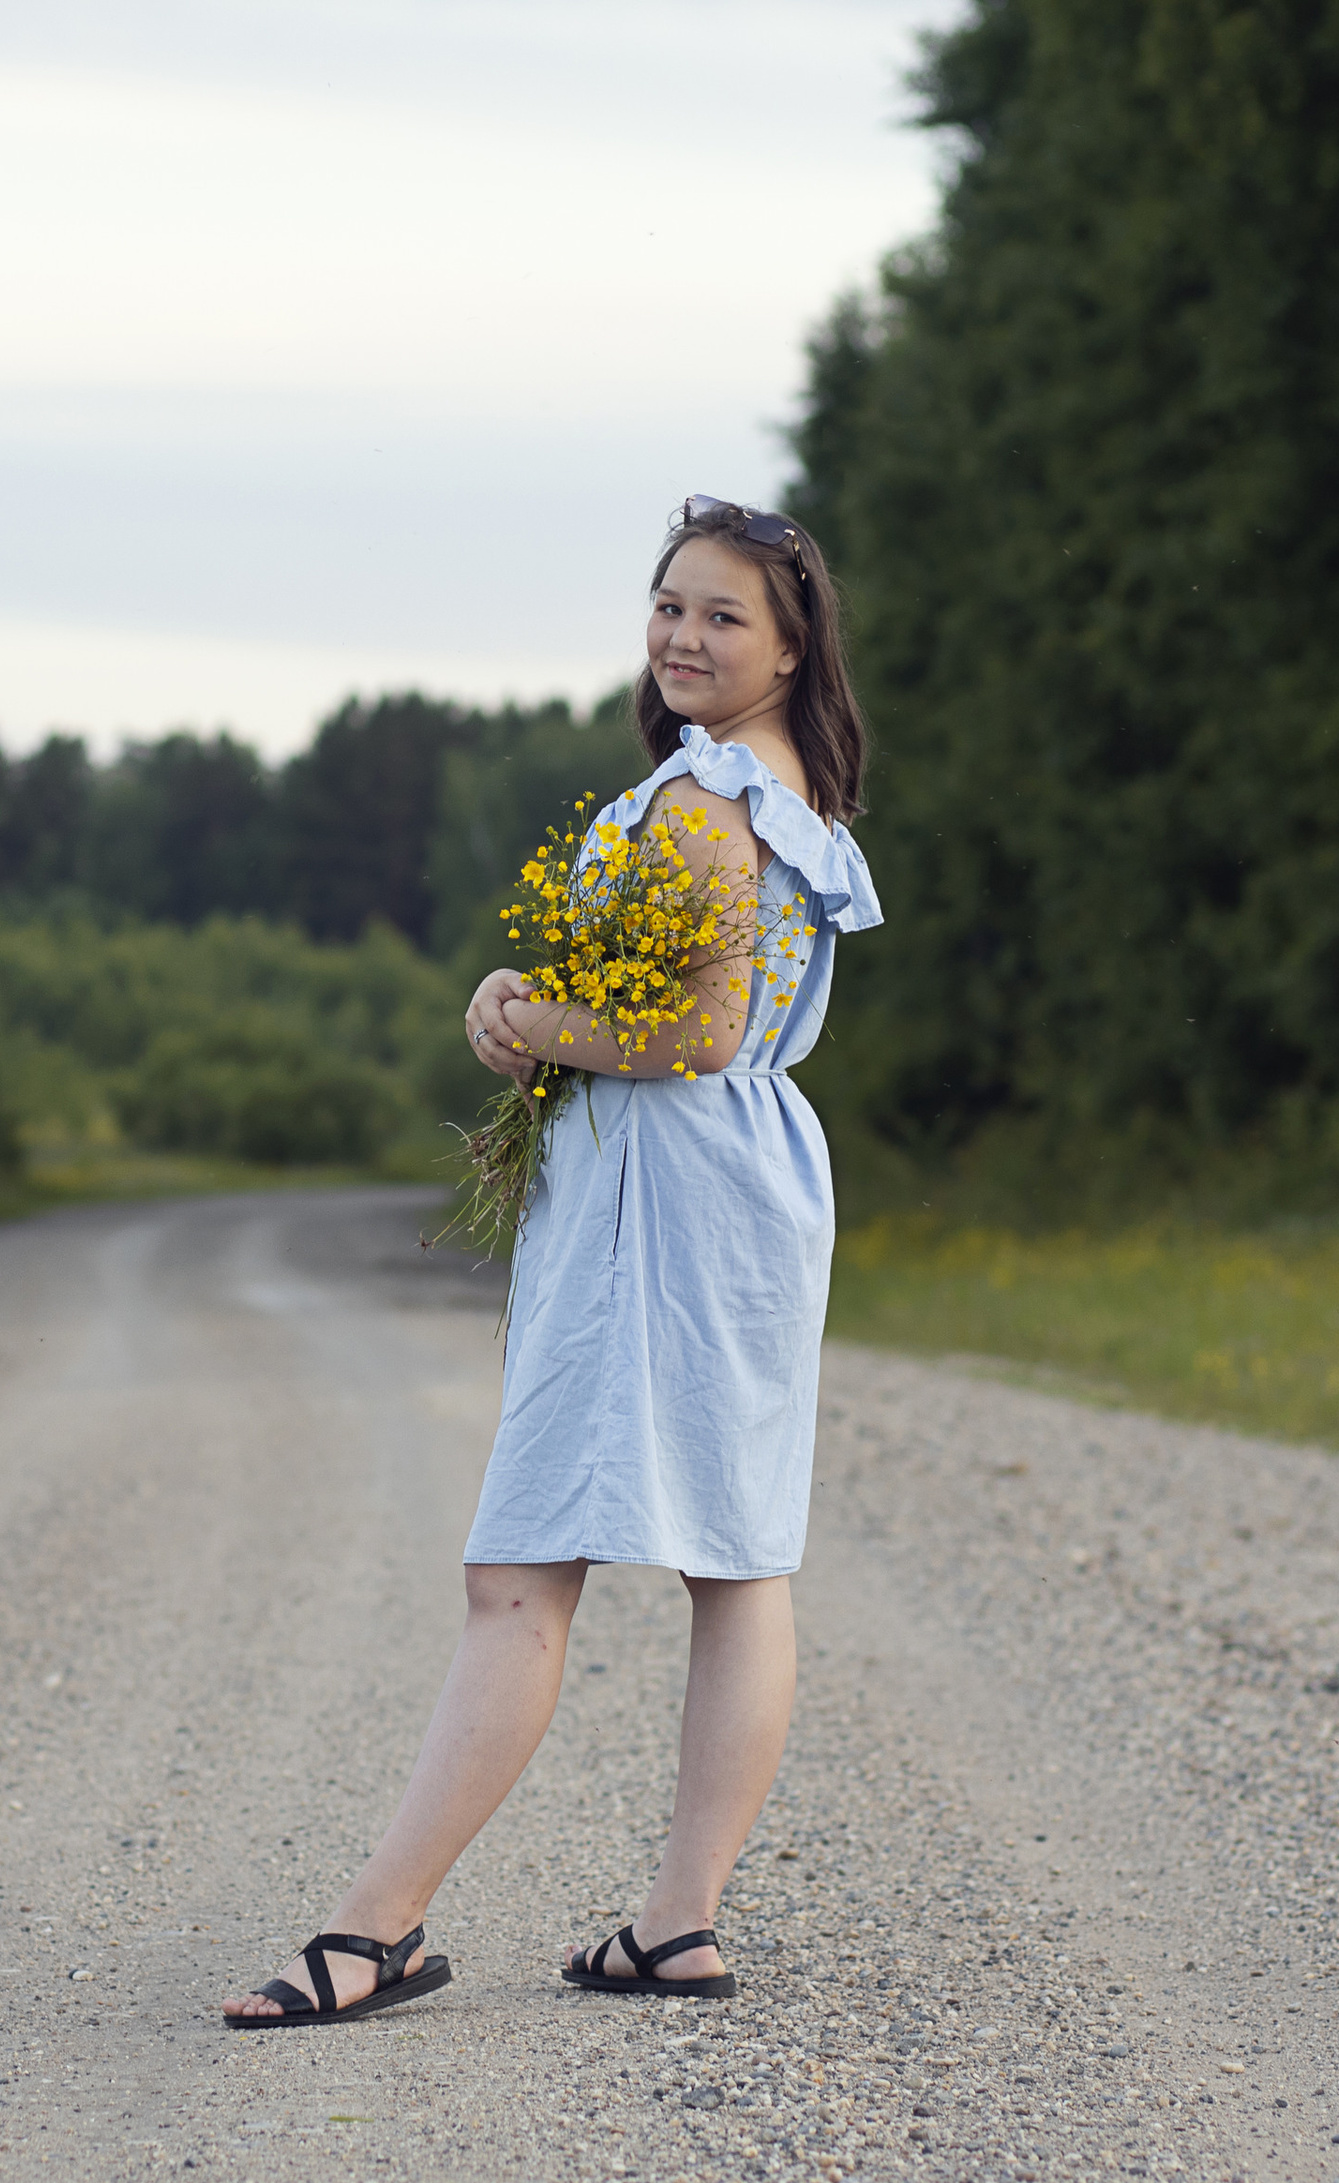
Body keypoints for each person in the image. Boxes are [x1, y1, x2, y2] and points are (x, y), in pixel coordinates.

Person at [222, 495, 883, 2027]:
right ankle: (676, 1924)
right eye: (668, 606)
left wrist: (532, 1027)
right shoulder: (790, 798)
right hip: (752, 1181)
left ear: (790, 648)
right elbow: (719, 1029)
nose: (683, 635)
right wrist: (545, 1007)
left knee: (518, 1572)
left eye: (723, 615)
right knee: (737, 1555)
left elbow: (693, 1030)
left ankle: (374, 1928)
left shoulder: (711, 802)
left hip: (671, 1193)